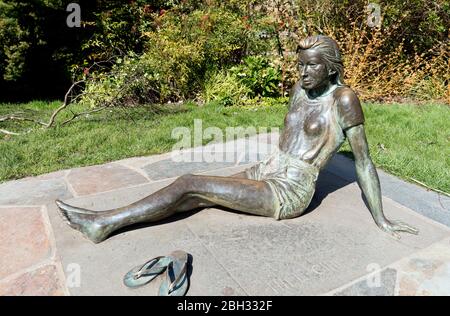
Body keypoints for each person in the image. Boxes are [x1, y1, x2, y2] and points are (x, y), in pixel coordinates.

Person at [56, 35, 418, 243]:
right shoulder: (301, 88)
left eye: (312, 66)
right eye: (301, 65)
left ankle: (105, 222)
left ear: (331, 67)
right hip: (267, 168)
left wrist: (382, 219)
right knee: (196, 195)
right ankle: (108, 219)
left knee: (190, 183)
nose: (303, 72)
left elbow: (364, 161)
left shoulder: (344, 100)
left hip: (289, 190)